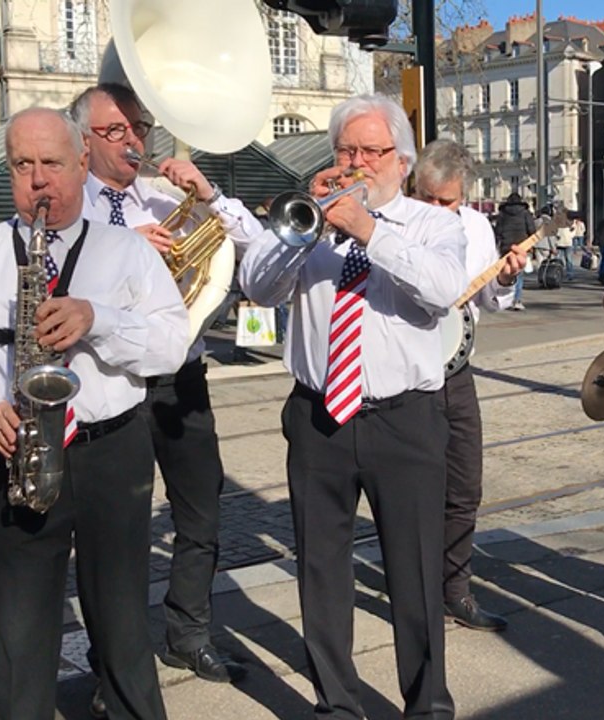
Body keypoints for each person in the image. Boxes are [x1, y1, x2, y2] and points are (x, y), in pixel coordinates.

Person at [0, 107, 188, 720]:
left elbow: (172, 345)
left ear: (82, 162)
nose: (39, 180)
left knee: (122, 622)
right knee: (17, 633)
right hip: (17, 446)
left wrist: (99, 319)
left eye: (52, 163)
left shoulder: (127, 250)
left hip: (112, 451)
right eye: (23, 165)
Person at [239, 94, 466, 720]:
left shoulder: (431, 224)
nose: (357, 163)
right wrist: (301, 230)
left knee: (415, 573)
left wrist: (369, 230)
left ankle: (427, 705)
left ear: (402, 160)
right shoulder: (311, 223)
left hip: (405, 418)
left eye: (371, 151)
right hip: (319, 416)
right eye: (346, 150)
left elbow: (443, 290)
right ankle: (337, 703)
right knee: (320, 570)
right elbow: (256, 286)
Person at [69, 82, 261, 709]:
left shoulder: (163, 197)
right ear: (83, 141)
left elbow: (252, 246)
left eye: (140, 129)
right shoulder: (73, 209)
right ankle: (112, 662)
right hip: (111, 382)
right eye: (116, 131)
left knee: (201, 511)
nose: (133, 142)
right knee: (112, 531)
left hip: (181, 377)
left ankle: (189, 632)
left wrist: (207, 194)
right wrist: (127, 250)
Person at [411, 139, 526, 633]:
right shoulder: (396, 224)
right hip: (407, 374)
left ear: (464, 196)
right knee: (413, 492)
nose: (437, 209)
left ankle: (455, 590)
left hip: (457, 372)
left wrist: (506, 279)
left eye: (448, 202)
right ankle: (415, 591)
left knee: (464, 486)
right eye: (428, 198)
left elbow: (492, 300)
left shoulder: (477, 227)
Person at [494, 192, 537, 310]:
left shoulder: (503, 214)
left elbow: (498, 231)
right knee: (519, 273)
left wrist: (499, 243)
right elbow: (532, 229)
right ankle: (517, 300)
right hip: (521, 246)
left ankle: (506, 298)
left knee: (507, 271)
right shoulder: (525, 213)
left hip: (506, 246)